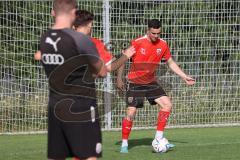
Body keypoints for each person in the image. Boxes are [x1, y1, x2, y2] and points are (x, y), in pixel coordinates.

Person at [39, 0, 107, 159]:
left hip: (55, 106)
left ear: (53, 12)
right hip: (80, 106)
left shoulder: (44, 38)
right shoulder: (81, 39)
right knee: (89, 154)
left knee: (57, 155)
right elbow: (102, 71)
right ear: (73, 12)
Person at [117, 19, 195, 153]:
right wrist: (119, 78)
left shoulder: (163, 44)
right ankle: (124, 143)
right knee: (131, 112)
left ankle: (158, 139)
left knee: (167, 105)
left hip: (151, 82)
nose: (156, 36)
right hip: (135, 83)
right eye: (153, 33)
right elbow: (123, 59)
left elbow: (170, 63)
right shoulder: (137, 42)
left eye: (158, 33)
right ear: (148, 30)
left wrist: (184, 76)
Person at [35, 9, 135, 72]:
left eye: (90, 26)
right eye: (88, 26)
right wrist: (125, 56)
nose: (90, 29)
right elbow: (109, 67)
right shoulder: (94, 43)